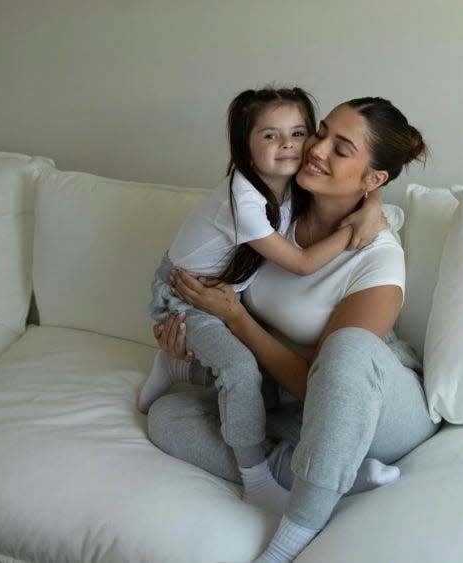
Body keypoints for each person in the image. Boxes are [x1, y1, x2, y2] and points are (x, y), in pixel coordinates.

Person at [148, 97, 439, 563]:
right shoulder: (272, 211)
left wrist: (236, 319)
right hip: (289, 399)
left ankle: (291, 537)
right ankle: (306, 468)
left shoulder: (378, 256)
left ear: (373, 179)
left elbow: (323, 384)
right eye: (319, 132)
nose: (316, 149)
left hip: (376, 403)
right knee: (167, 418)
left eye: (340, 149)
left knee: (345, 350)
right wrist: (190, 339)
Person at [137, 87, 388, 510]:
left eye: (299, 132)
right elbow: (303, 263)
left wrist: (371, 204)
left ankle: (309, 470)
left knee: (247, 383)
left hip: (283, 373)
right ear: (244, 149)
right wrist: (351, 230)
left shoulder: (296, 185)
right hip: (190, 298)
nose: (291, 145)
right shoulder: (245, 200)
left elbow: (366, 177)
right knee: (197, 400)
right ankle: (262, 476)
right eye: (270, 136)